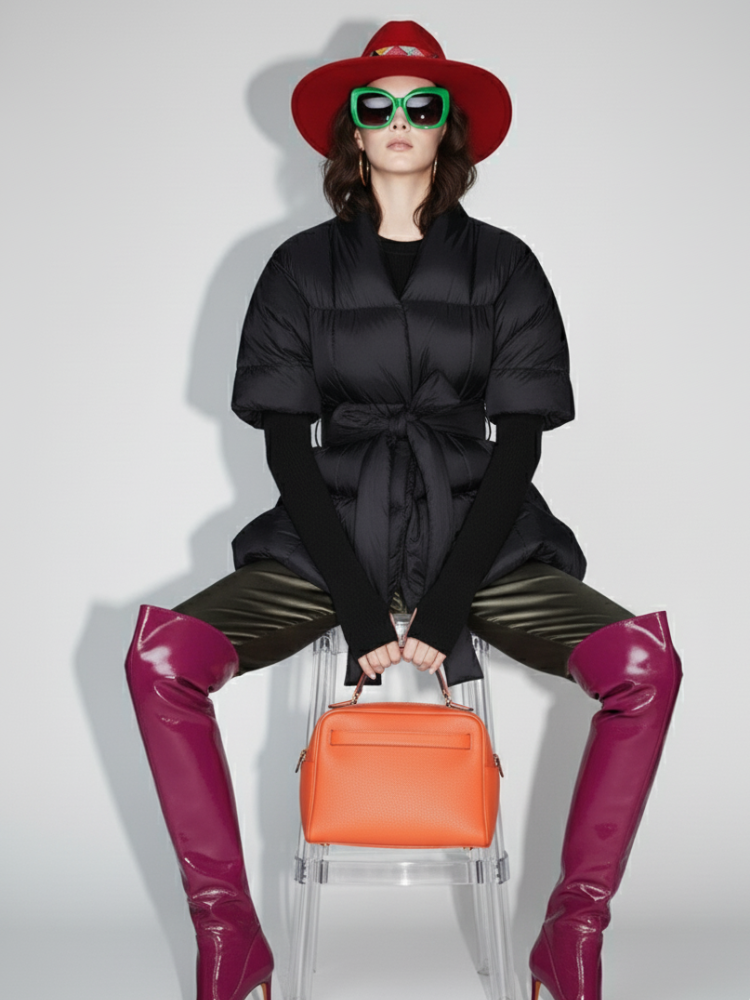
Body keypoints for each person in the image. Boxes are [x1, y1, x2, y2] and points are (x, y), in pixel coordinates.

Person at [124, 21, 682, 1000]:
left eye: (421, 105)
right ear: (351, 127)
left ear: (445, 130)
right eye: (375, 104)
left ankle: (572, 937)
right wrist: (354, 604)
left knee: (646, 667)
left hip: (485, 537)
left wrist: (447, 603)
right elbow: (285, 447)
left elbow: (521, 444)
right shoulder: (297, 268)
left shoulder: (506, 265)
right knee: (160, 659)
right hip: (330, 532)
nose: (397, 120)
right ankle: (229, 937)